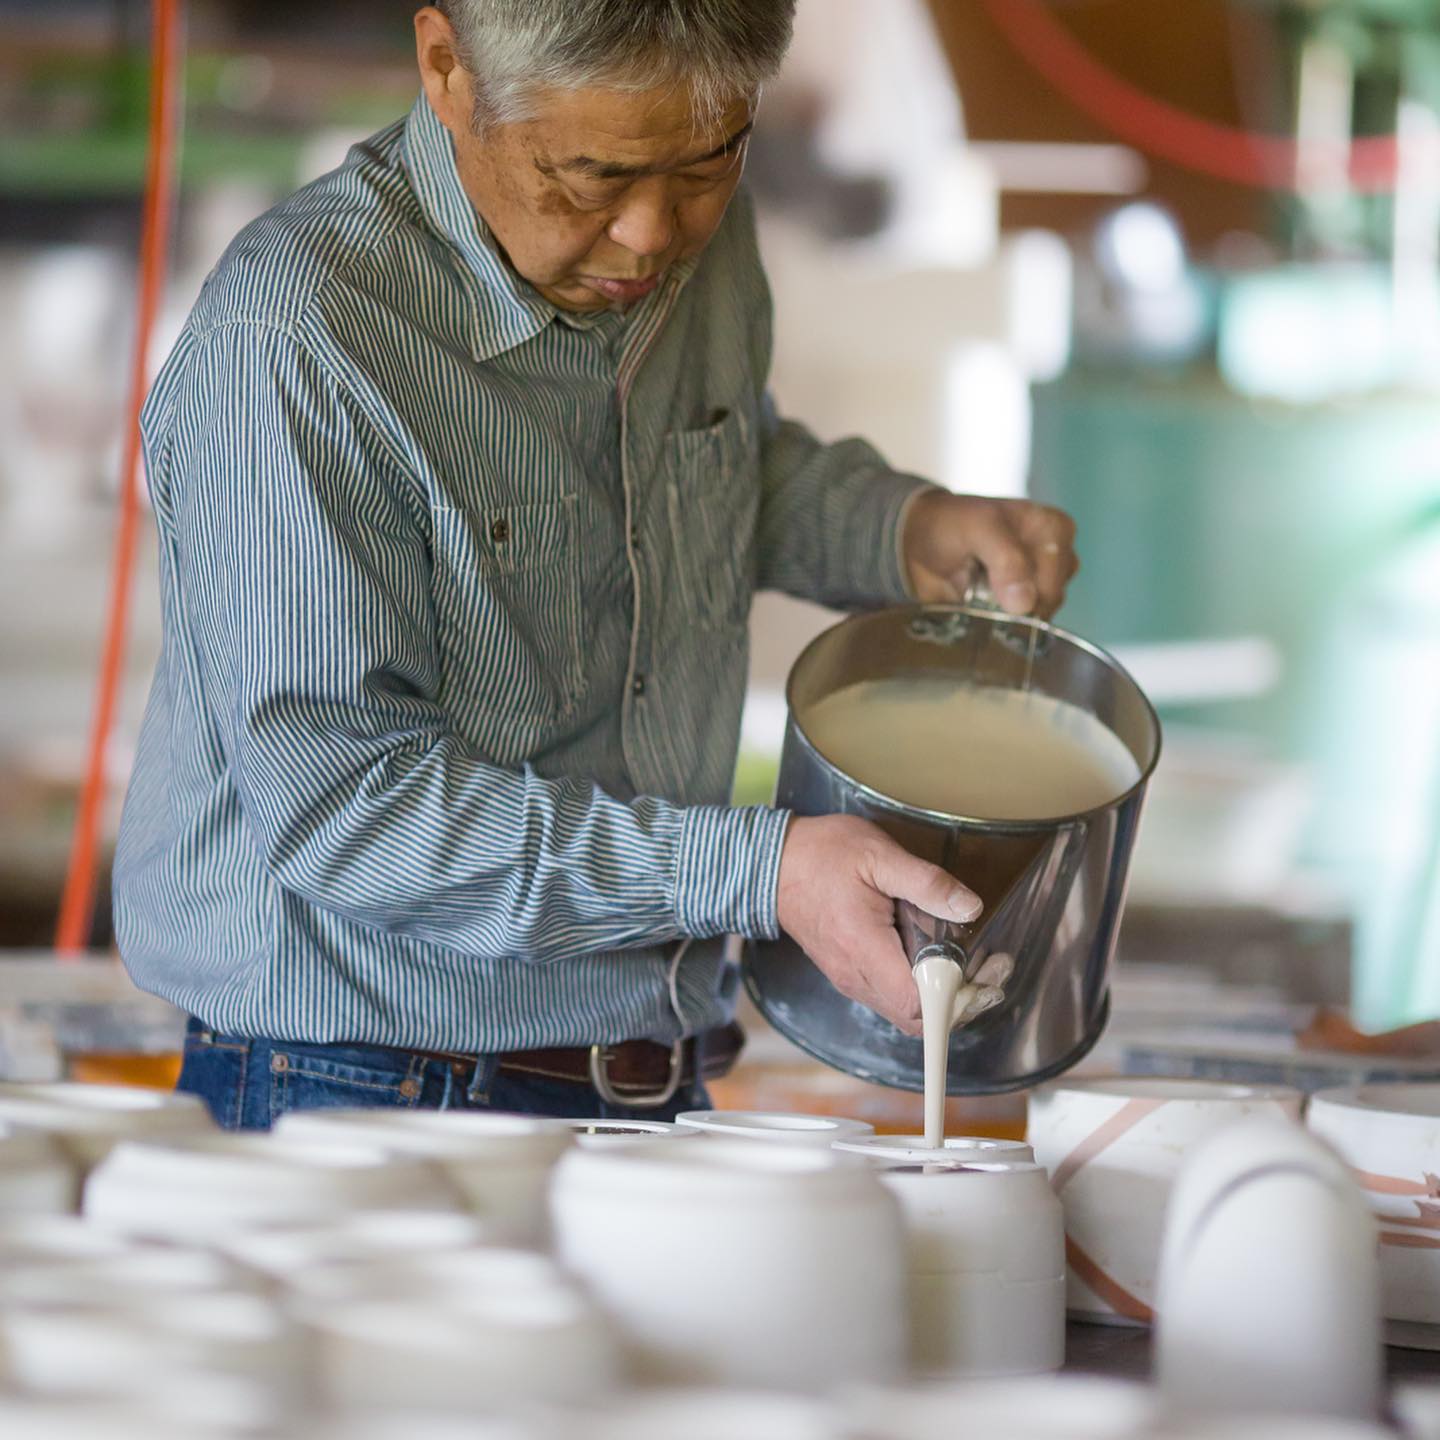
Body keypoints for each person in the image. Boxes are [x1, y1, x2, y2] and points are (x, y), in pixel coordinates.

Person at [114, 0, 1079, 1129]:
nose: (652, 236)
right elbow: (350, 811)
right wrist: (759, 874)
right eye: (591, 176)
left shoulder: (692, 243)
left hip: (647, 1069)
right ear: (447, 69)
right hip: (361, 1085)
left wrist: (899, 525)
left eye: (710, 161)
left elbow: (709, 475)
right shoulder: (298, 348)